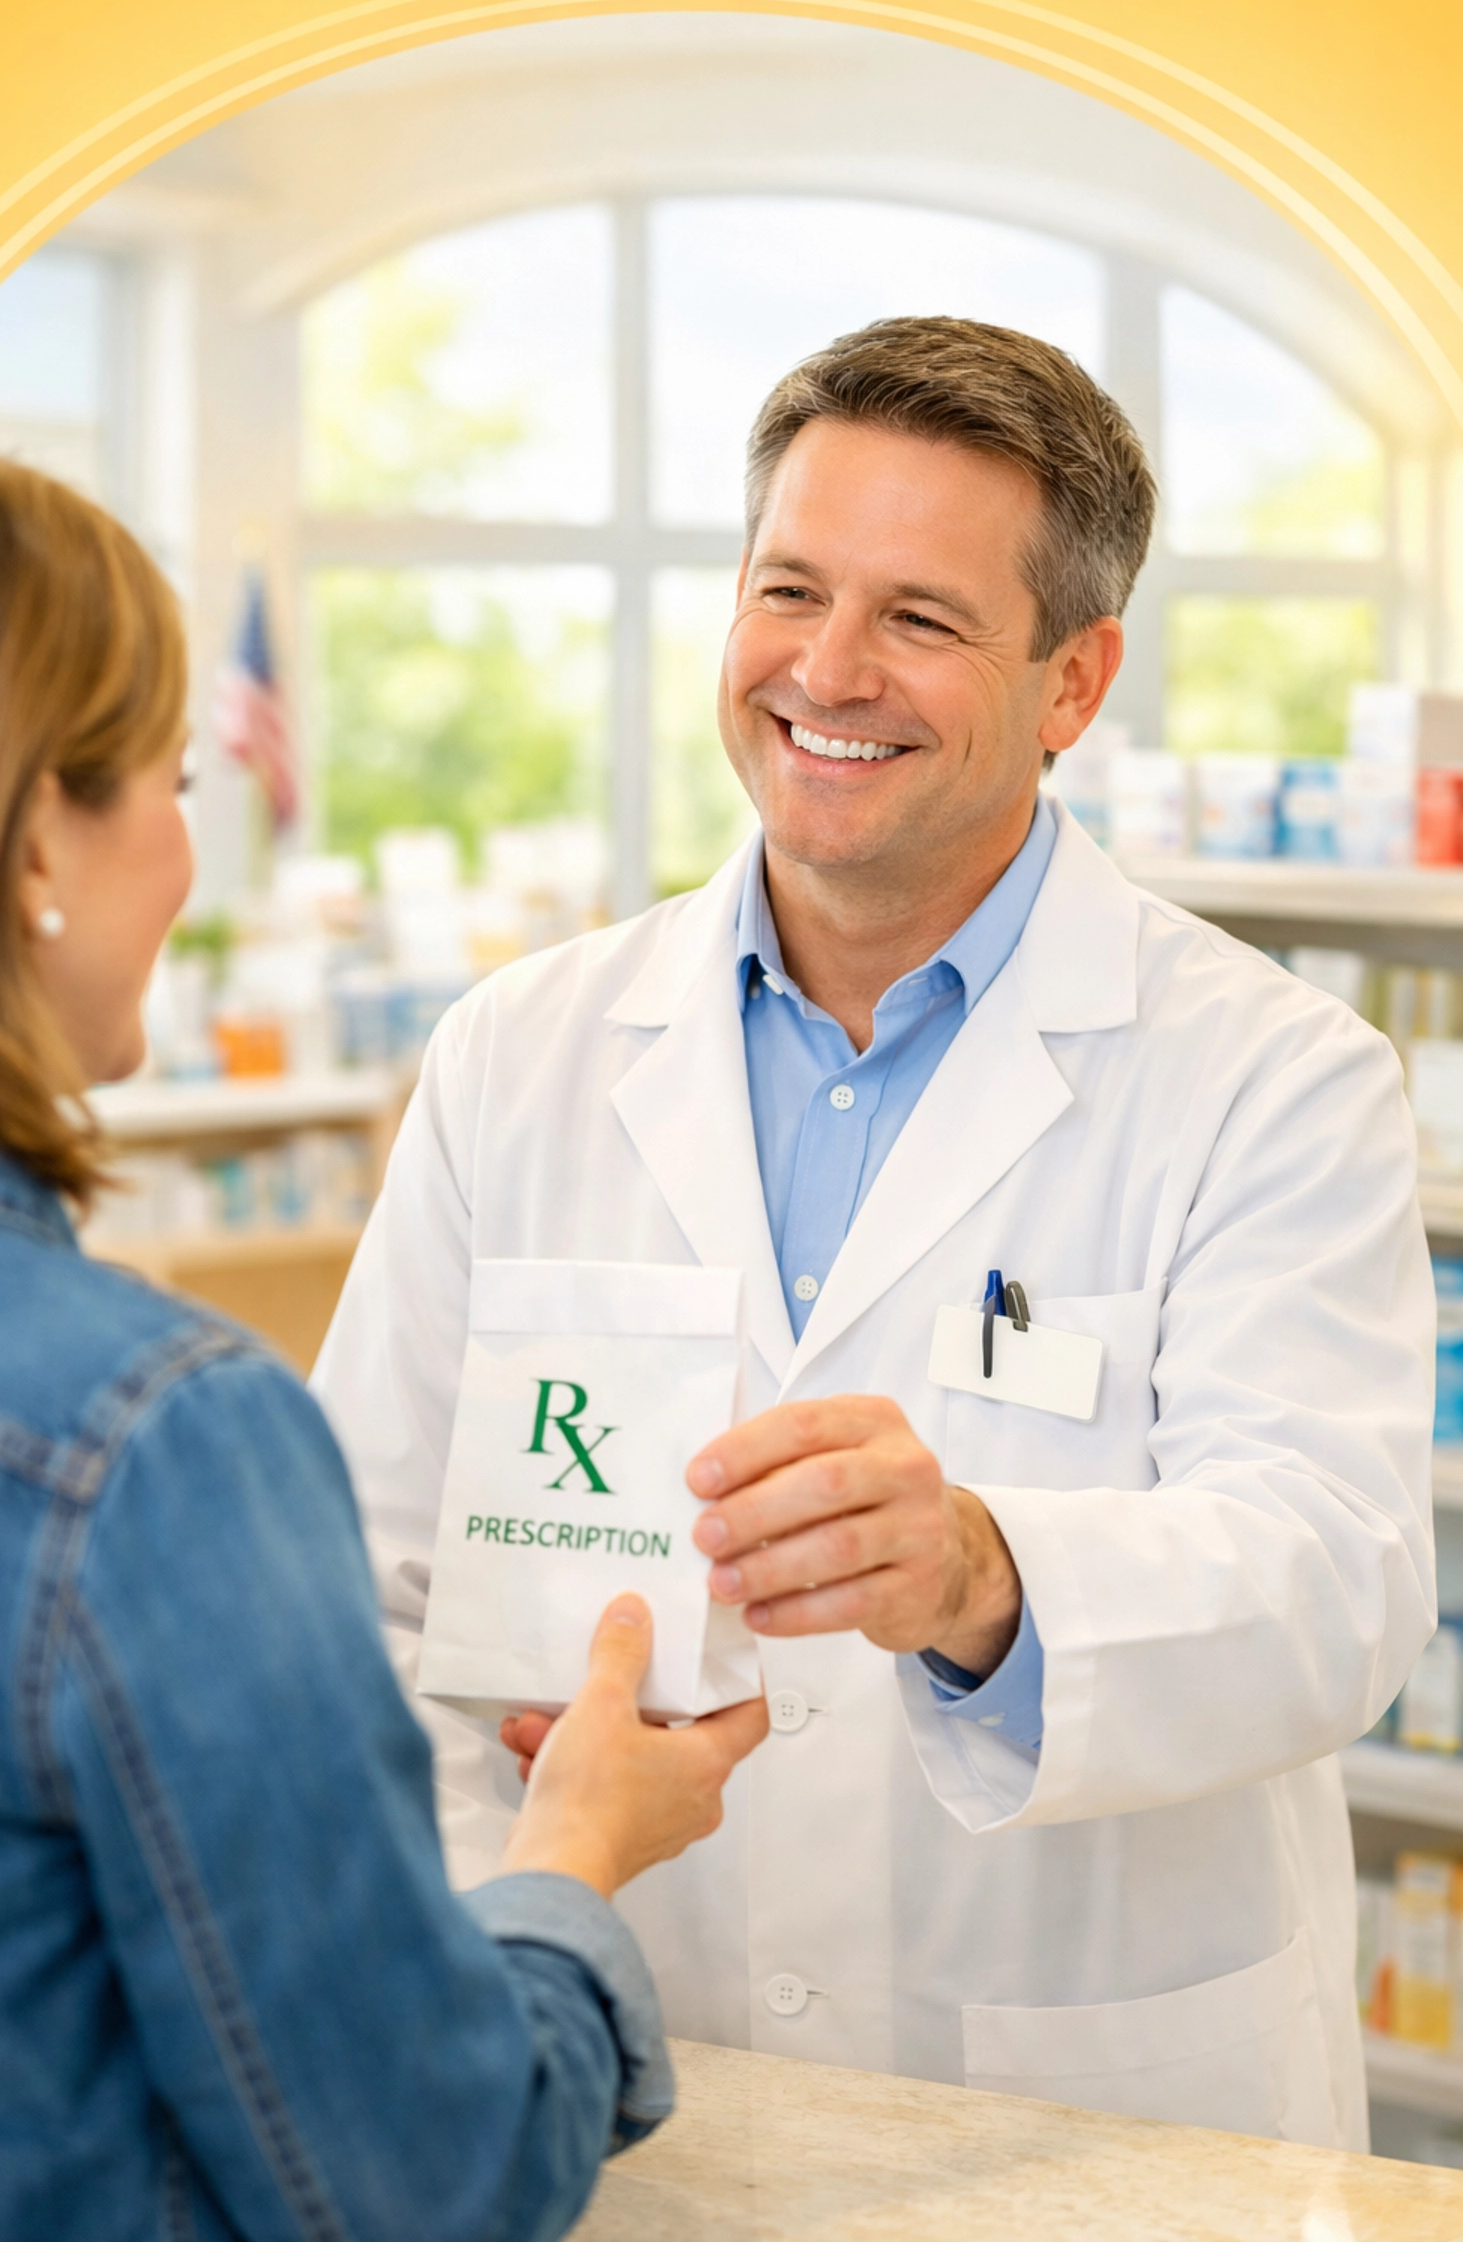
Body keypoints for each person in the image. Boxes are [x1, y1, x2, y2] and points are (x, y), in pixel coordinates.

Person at [313, 315, 1436, 2152]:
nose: (828, 669)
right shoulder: (521, 1052)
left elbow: (1341, 1579)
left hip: (1089, 2119)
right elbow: (367, 1585)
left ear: (1073, 682)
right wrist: (501, 1931)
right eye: (789, 589)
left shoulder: (1270, 1075)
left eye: (922, 617)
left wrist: (990, 1576)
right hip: (622, 2060)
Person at [0, 438, 767, 2242]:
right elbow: (418, 2178)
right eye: (161, 780)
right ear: (27, 851)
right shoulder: (143, 1440)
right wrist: (580, 1852)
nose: (188, 848)